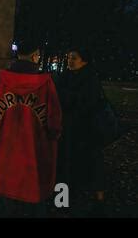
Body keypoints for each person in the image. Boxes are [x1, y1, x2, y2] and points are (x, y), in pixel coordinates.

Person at [0, 40, 62, 217]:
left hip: (7, 145)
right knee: (34, 192)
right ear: (35, 56)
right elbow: (54, 117)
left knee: (7, 192)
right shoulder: (46, 82)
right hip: (35, 147)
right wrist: (54, 134)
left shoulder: (2, 79)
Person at [55, 47, 106, 216]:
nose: (70, 60)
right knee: (66, 164)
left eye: (74, 58)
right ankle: (63, 200)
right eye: (69, 57)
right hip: (69, 129)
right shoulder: (66, 75)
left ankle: (97, 201)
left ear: (84, 60)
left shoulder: (91, 78)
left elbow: (86, 102)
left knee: (89, 164)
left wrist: (63, 95)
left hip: (86, 131)